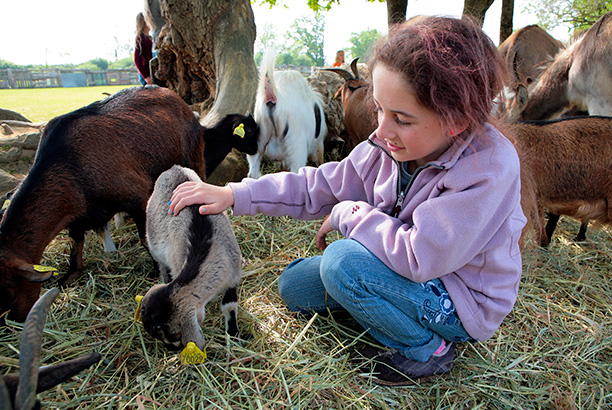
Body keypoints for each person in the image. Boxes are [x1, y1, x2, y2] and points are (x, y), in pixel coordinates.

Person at [168, 16, 527, 386]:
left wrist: (350, 214)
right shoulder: (388, 147)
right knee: (294, 286)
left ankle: (426, 349)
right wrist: (234, 194)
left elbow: (421, 256)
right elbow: (320, 186)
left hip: (458, 298)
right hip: (399, 268)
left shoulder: (488, 169)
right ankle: (376, 300)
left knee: (341, 263)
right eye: (380, 109)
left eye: (401, 119)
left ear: (454, 121)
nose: (381, 130)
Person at [134, 12, 153, 86]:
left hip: (152, 72)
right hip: (147, 74)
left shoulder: (150, 38)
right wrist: (146, 77)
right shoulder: (140, 38)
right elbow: (137, 60)